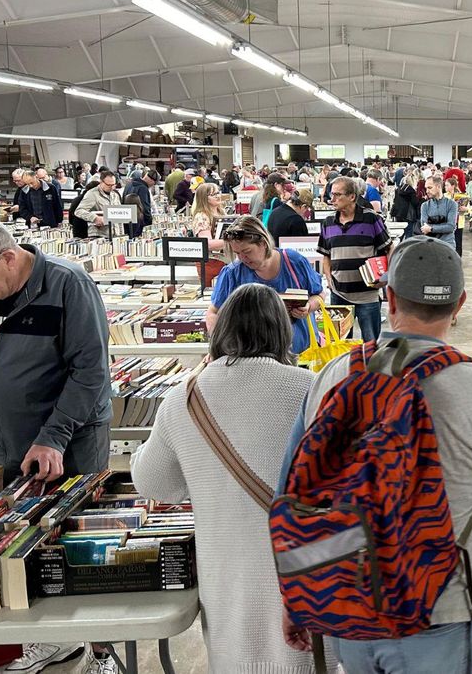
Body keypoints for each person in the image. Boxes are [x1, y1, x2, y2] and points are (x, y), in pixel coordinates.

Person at [284, 236, 472, 672]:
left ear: (388, 296)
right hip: (444, 612)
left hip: (350, 608)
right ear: (461, 303)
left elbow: (295, 495)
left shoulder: (335, 376)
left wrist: (298, 598)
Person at [131, 284, 339, 674]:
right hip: (304, 574)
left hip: (227, 576)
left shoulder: (184, 397)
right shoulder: (312, 390)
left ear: (220, 330)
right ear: (282, 332)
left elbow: (151, 482)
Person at [0, 217, 114, 674]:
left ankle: (102, 650)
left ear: (8, 256)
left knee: (77, 546)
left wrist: (53, 437)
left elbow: (92, 372)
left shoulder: (67, 286)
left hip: (70, 442)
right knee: (21, 545)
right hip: (3, 446)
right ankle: (50, 640)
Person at [210, 218, 324, 355]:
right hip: (253, 358)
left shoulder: (294, 261)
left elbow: (320, 295)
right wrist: (217, 348)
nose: (242, 258)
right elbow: (213, 313)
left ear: (263, 243)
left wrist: (308, 307)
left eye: (247, 251)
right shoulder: (232, 273)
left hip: (303, 354)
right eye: (237, 253)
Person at [319, 177, 392, 340]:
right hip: (339, 296)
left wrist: (386, 277)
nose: (332, 199)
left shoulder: (371, 219)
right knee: (340, 344)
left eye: (338, 195)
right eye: (332, 195)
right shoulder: (328, 222)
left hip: (367, 296)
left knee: (371, 343)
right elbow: (326, 255)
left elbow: (389, 248)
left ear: (352, 196)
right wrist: (329, 278)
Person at [74, 170, 122, 238]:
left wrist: (121, 234)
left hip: (115, 235)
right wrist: (94, 218)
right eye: (109, 185)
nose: (111, 187)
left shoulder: (115, 195)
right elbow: (79, 211)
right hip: (99, 236)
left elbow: (120, 216)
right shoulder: (92, 194)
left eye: (113, 185)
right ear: (101, 182)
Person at [419, 175, 459, 249]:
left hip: (447, 246)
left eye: (430, 188)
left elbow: (450, 227)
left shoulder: (452, 204)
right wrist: (443, 227)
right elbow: (424, 228)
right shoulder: (424, 206)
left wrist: (431, 229)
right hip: (430, 245)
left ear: (439, 187)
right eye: (426, 188)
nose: (427, 191)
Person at [123, 169, 156, 235]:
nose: (153, 185)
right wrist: (149, 223)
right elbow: (146, 207)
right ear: (151, 180)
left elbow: (122, 200)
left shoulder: (129, 184)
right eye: (154, 183)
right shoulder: (143, 189)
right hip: (139, 222)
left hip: (126, 220)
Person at [444, 176, 469, 257]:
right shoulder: (444, 196)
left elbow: (469, 209)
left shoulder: (461, 195)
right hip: (447, 221)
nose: (445, 187)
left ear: (453, 186)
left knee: (458, 242)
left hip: (458, 221)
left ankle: (458, 259)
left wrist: (465, 209)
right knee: (447, 241)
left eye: (447, 185)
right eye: (445, 185)